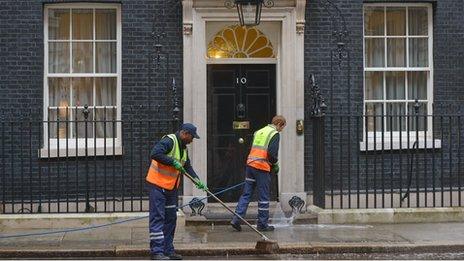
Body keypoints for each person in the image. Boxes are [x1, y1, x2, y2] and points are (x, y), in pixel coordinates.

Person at [146, 123, 207, 260]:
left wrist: (197, 180)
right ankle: (157, 252)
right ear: (185, 133)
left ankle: (168, 250)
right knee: (158, 218)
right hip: (158, 186)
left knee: (170, 219)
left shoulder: (183, 148)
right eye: (192, 137)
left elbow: (187, 166)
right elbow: (155, 153)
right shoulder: (169, 141)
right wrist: (172, 162)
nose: (192, 140)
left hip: (171, 188)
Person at [230, 115, 286, 232]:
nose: (281, 130)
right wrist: (274, 164)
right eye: (282, 127)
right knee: (264, 197)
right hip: (261, 167)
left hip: (250, 165)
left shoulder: (259, 131)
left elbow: (252, 148)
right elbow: (271, 153)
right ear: (279, 124)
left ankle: (236, 219)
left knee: (246, 194)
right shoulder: (274, 134)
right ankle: (262, 224)